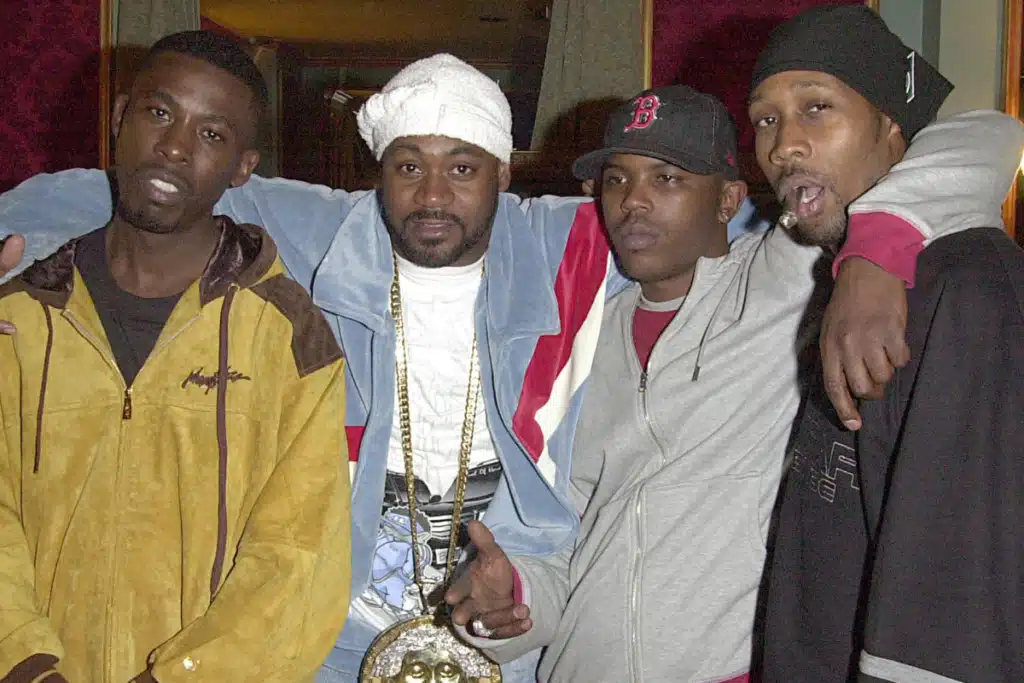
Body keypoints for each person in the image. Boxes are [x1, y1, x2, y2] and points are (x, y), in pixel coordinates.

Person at [0, 51, 1017, 682]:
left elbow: (962, 140)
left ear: (505, 175)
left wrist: (880, 243)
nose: (432, 192)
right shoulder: (326, 232)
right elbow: (144, 183)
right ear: (376, 176)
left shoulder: (578, 239)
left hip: (506, 642)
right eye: (408, 164)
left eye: (464, 166)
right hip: (331, 631)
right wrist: (17, 223)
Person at [438, 74, 1023, 681]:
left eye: (667, 179)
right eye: (617, 179)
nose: (633, 201)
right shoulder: (579, 338)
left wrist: (873, 249)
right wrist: (513, 602)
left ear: (727, 199)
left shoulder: (785, 281)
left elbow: (989, 135)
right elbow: (569, 536)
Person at [0, 31, 352, 683]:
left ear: (243, 166)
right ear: (119, 118)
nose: (174, 146)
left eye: (211, 134)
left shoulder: (287, 336)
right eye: (159, 114)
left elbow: (299, 559)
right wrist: (25, 662)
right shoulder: (21, 316)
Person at [747, 6, 1024, 682]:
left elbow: (956, 599)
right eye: (765, 119)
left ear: (897, 137)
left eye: (817, 107)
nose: (783, 146)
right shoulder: (835, 271)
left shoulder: (968, 285)